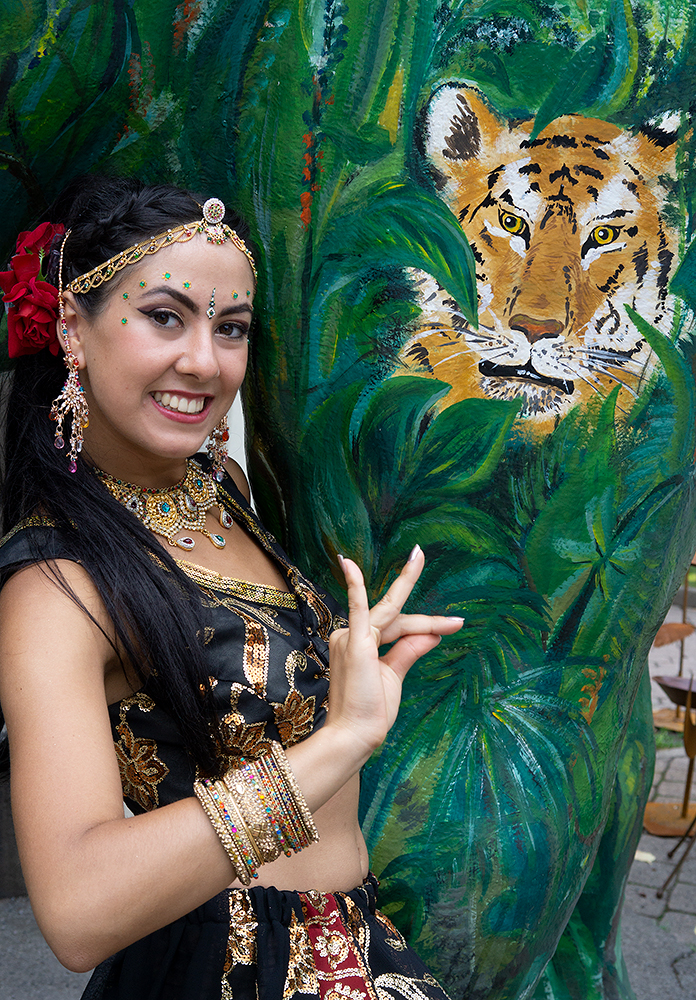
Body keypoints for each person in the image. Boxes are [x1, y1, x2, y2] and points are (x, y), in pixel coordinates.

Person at [0, 177, 463, 1000]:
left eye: (232, 327)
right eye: (164, 316)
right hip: (227, 969)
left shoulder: (222, 488)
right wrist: (343, 740)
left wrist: (336, 669)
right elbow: (76, 910)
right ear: (72, 326)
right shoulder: (55, 586)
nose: (204, 361)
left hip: (356, 940)